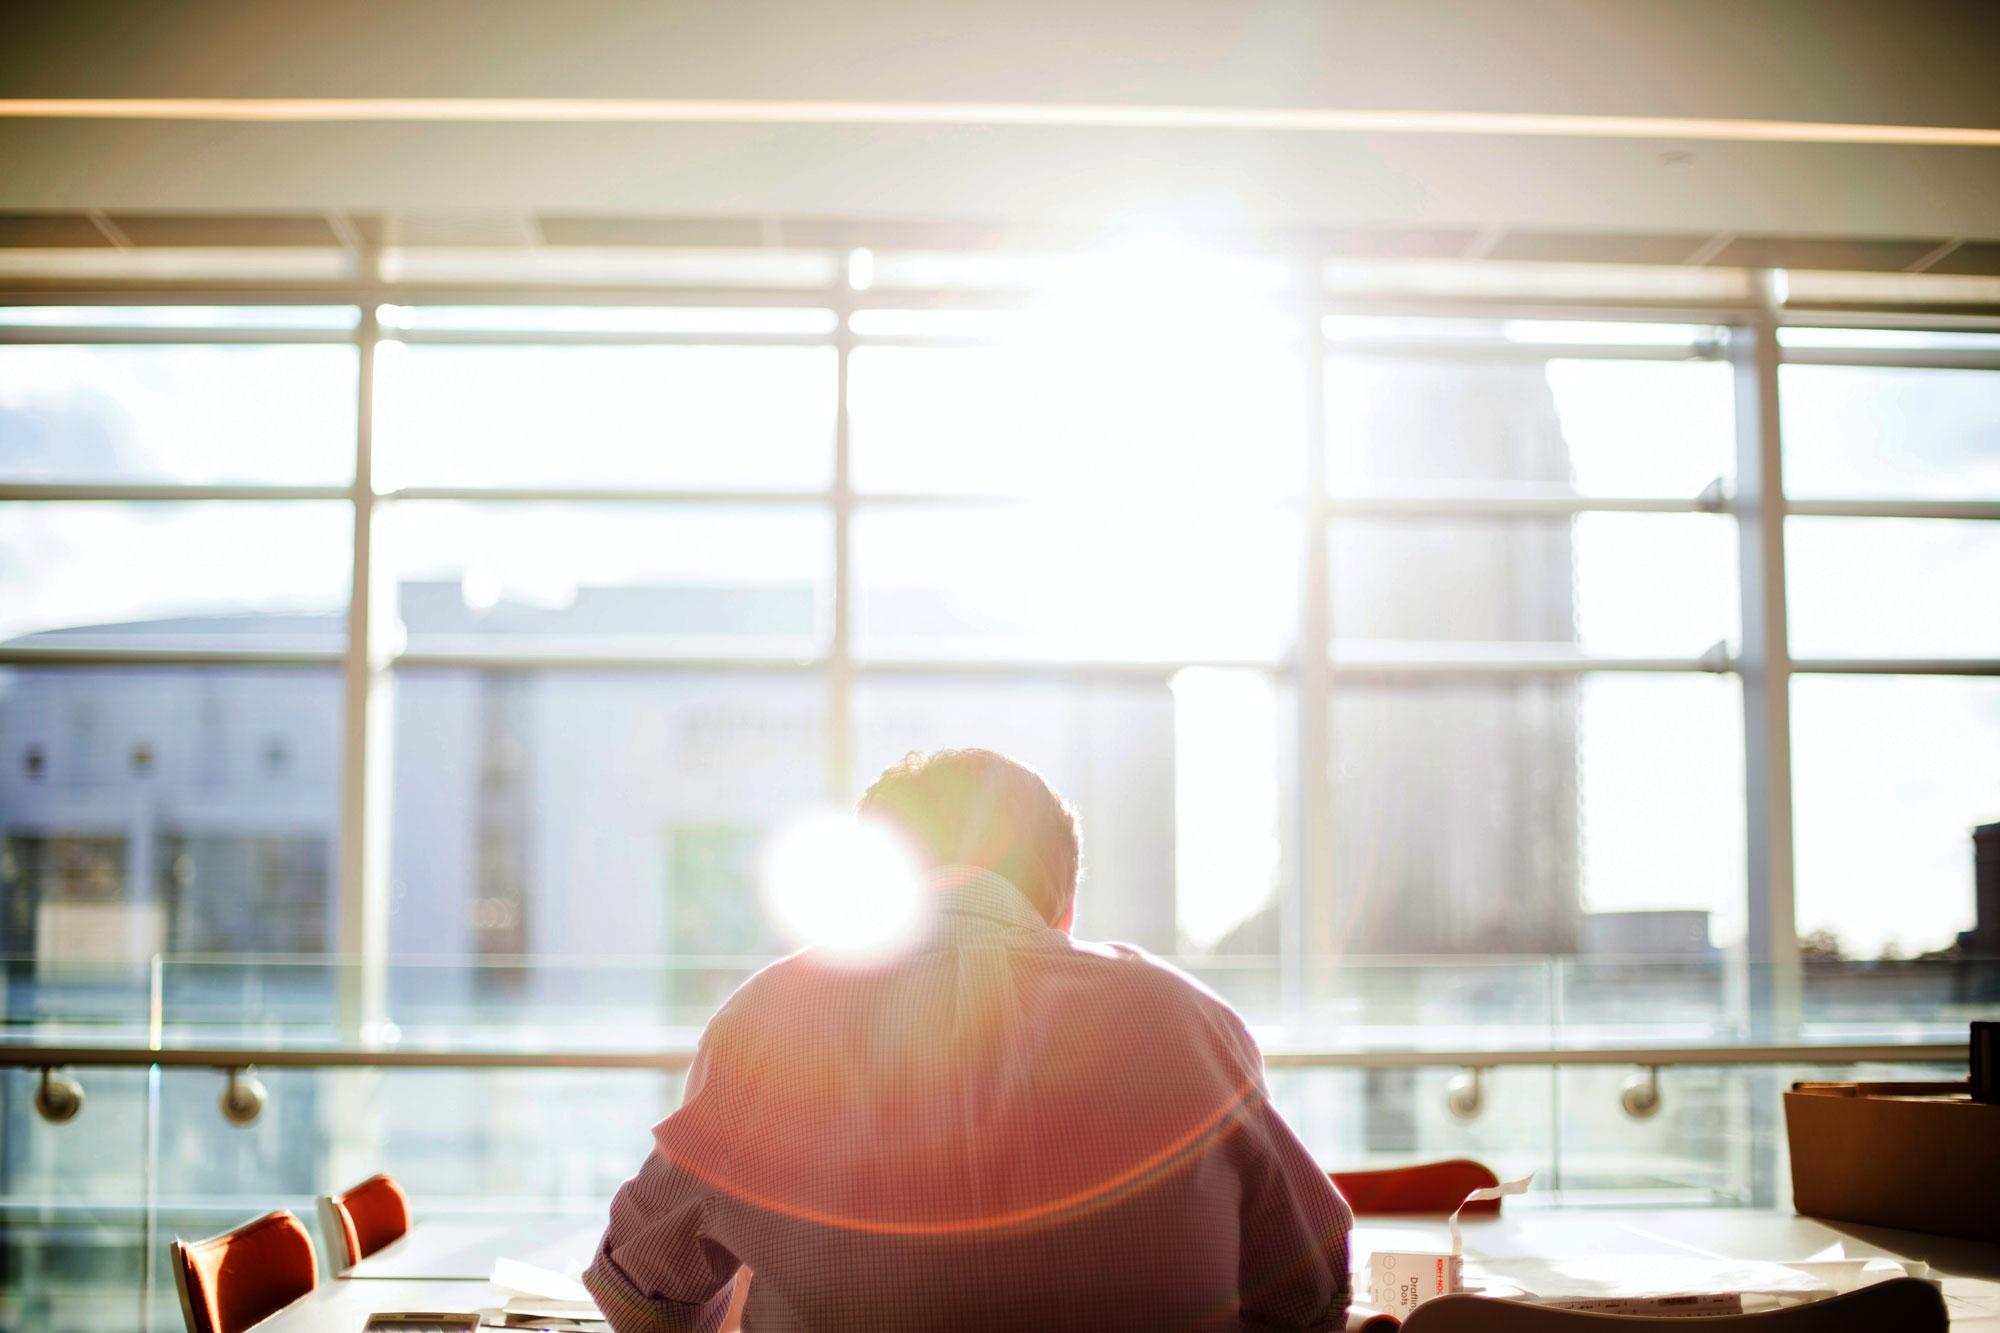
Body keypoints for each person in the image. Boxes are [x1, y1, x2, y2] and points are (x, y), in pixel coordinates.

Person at [585, 748, 1352, 1332]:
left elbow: (641, 1293)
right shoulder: (1189, 1021)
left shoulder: (770, 1018)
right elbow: (1311, 1287)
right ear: (1065, 901)